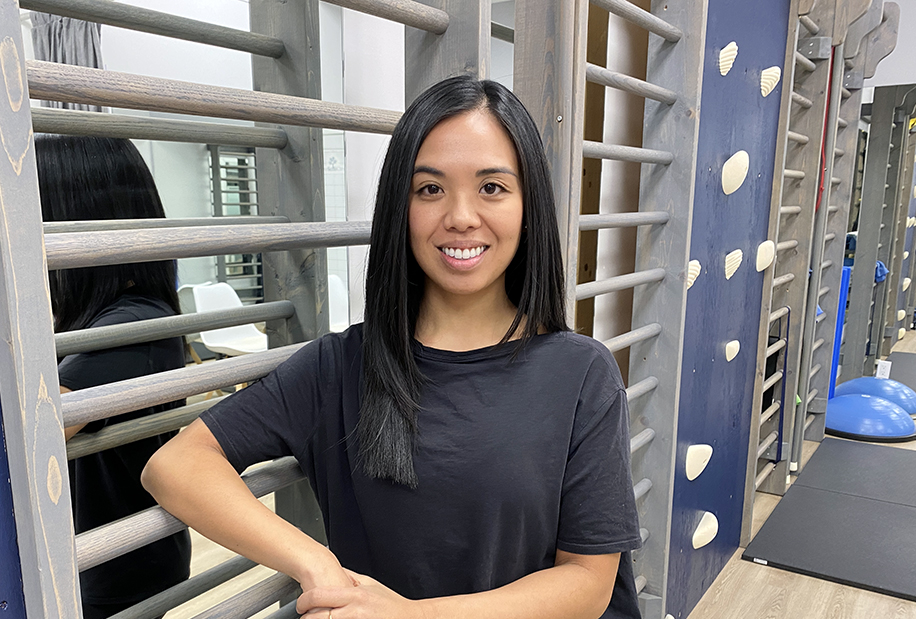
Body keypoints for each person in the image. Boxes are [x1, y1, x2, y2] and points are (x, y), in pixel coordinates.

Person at [142, 76, 642, 618]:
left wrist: (410, 616)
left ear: (529, 205)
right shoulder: (340, 367)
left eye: (492, 187)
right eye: (430, 189)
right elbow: (176, 464)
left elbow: (588, 584)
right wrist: (315, 563)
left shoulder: (580, 373)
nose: (460, 216)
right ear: (399, 208)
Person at [37, 135, 191, 619]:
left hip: (118, 565)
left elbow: (36, 432)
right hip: (107, 557)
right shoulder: (100, 316)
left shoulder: (131, 327)